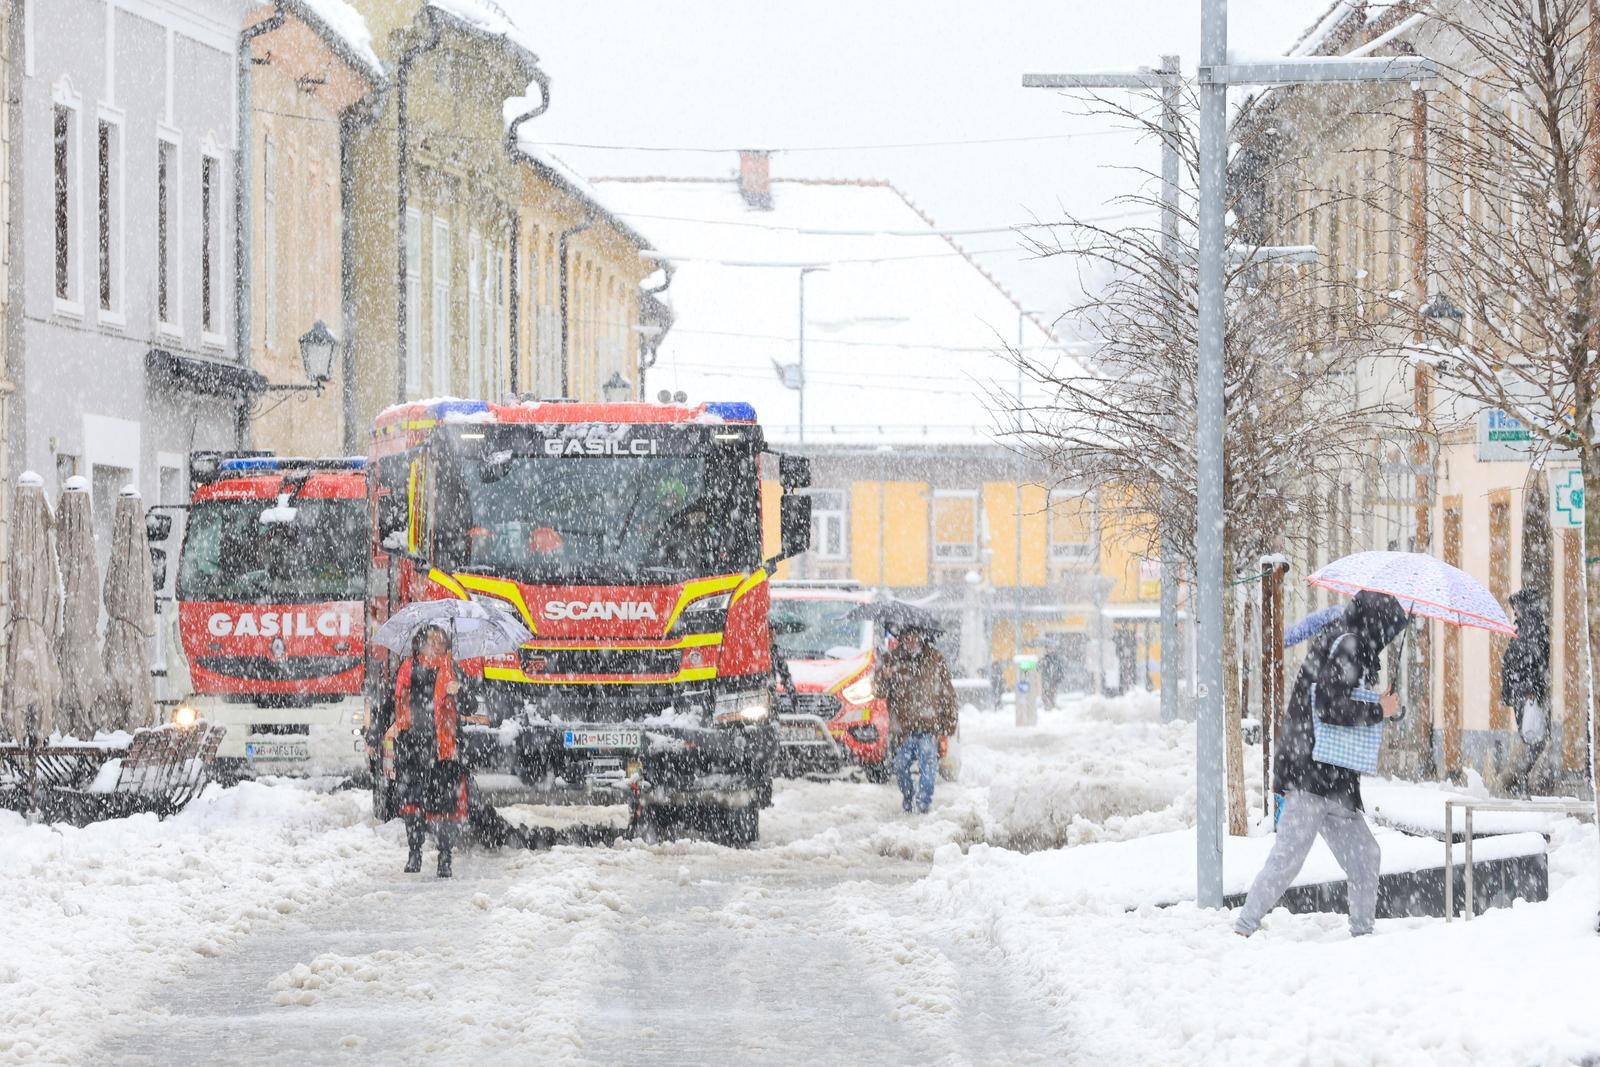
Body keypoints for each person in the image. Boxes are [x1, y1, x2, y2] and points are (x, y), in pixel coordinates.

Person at [1235, 591, 1409, 938]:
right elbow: (1330, 707)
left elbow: (1342, 700)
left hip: (1333, 780)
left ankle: (1363, 935)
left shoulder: (1349, 643)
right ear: (1378, 625)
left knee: (1365, 855)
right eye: (1389, 630)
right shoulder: (1349, 646)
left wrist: (1386, 707)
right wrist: (1379, 709)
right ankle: (1243, 928)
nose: (1388, 639)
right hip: (1312, 775)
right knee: (1288, 859)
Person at [388, 625, 474, 877]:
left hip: (443, 750)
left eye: (441, 642)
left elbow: (470, 704)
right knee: (412, 804)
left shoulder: (452, 669)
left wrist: (459, 690)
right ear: (420, 644)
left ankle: (445, 857)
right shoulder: (407, 668)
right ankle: (414, 852)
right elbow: (392, 702)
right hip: (412, 747)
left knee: (445, 806)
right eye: (432, 642)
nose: (437, 647)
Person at [876, 626, 959, 814]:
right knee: (900, 766)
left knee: (928, 764)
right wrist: (884, 677)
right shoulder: (892, 659)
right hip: (903, 729)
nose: (910, 641)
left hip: (928, 725)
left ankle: (923, 802)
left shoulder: (935, 659)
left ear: (921, 638)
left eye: (914, 637)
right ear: (902, 638)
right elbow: (878, 691)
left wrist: (949, 723)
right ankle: (908, 796)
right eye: (907, 638)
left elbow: (948, 693)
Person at [1501, 589, 1551, 795]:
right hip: (1523, 692)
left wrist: (1529, 688)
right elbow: (1529, 660)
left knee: (1534, 737)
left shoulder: (1531, 631)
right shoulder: (1527, 629)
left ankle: (1521, 778)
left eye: (1517, 608)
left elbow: (1535, 661)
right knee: (1533, 737)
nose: (1515, 612)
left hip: (1525, 692)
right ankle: (1521, 779)